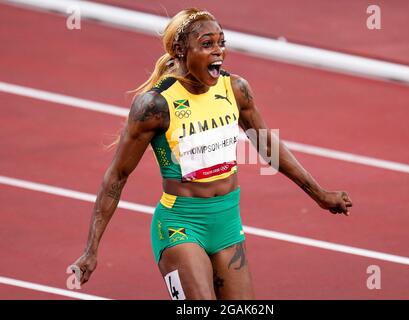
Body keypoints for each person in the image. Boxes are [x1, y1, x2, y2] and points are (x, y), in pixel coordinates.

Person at [71, 8, 353, 300]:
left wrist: (320, 194)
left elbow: (267, 145)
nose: (218, 51)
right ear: (181, 50)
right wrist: (91, 250)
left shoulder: (236, 89)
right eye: (207, 44)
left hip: (227, 223)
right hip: (180, 226)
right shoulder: (155, 105)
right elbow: (117, 175)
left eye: (221, 42)